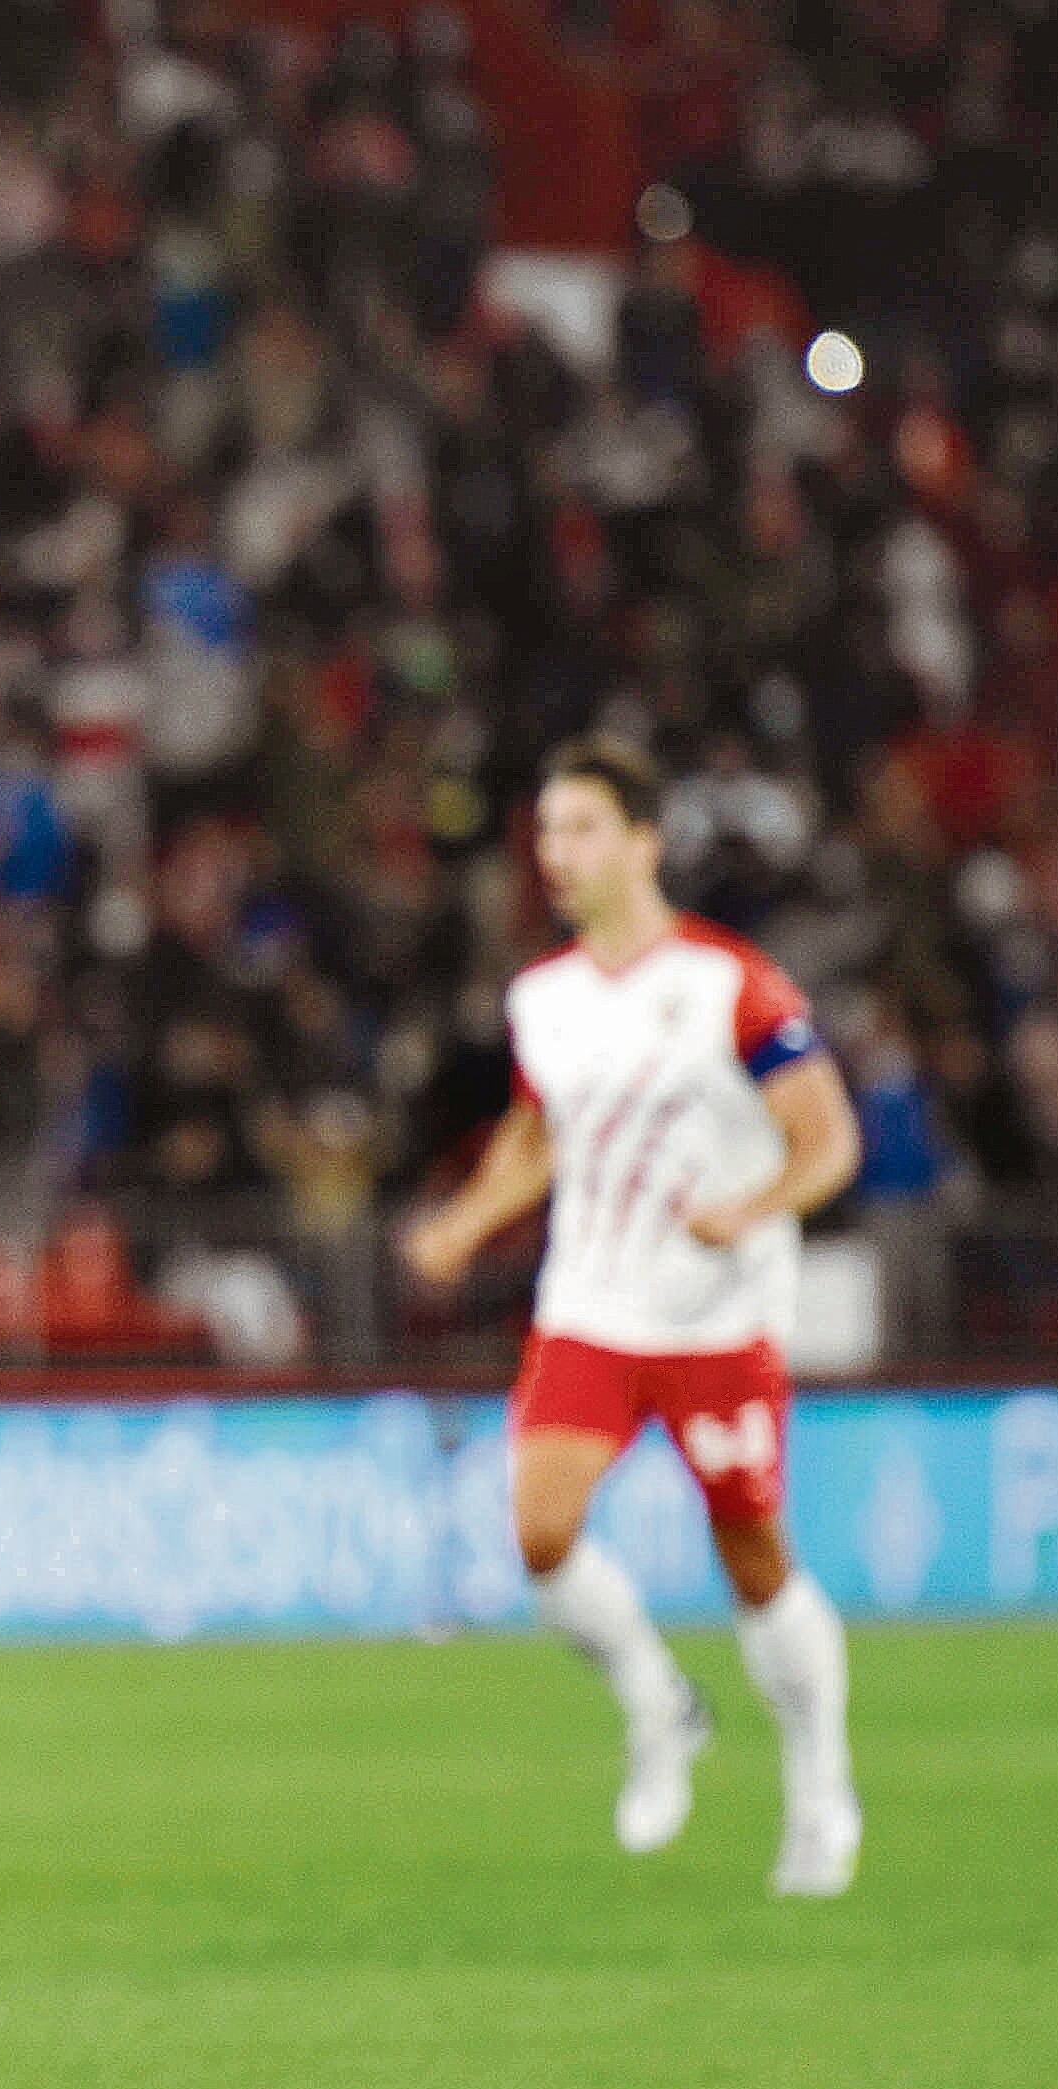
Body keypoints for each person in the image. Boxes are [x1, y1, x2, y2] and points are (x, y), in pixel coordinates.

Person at [403, 735, 868, 1896]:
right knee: (540, 1529)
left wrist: (750, 1205)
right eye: (546, 831)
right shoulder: (542, 998)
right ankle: (659, 1704)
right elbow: (541, 1135)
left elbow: (829, 1143)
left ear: (643, 841)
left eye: (580, 828)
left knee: (753, 1556)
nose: (554, 853)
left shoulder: (733, 985)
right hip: (590, 1308)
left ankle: (820, 1780)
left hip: (715, 1319)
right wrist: (464, 1223)